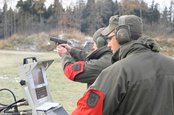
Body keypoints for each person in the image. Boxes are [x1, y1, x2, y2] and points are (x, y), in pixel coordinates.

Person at [72, 15, 174, 115]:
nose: (108, 44)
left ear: (122, 36)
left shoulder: (117, 72)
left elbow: (87, 112)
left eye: (110, 38)